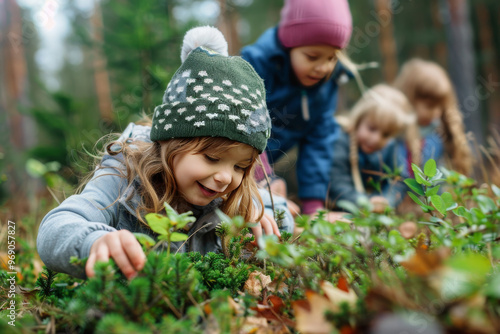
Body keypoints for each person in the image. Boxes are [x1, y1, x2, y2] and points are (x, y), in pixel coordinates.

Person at [37, 27, 293, 280]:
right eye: (212, 158)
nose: (226, 177)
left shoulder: (234, 195)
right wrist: (94, 241)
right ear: (171, 142)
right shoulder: (122, 177)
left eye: (240, 167)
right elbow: (56, 227)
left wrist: (266, 215)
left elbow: (277, 215)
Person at [241, 0, 353, 215]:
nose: (323, 67)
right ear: (289, 43)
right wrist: (262, 177)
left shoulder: (328, 83)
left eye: (332, 57)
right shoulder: (256, 66)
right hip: (236, 161)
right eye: (312, 57)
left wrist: (313, 206)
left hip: (274, 162)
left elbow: (318, 143)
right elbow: (243, 126)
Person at [329, 84, 417, 212]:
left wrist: (387, 201)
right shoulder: (340, 141)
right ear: (359, 119)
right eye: (372, 128)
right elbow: (338, 184)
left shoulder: (390, 147)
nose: (376, 139)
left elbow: (399, 180)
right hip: (340, 210)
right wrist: (366, 203)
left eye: (386, 134)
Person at [393, 58, 472, 176]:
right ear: (409, 99)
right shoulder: (393, 134)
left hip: (433, 193)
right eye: (430, 106)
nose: (436, 113)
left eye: (440, 107)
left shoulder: (438, 135)